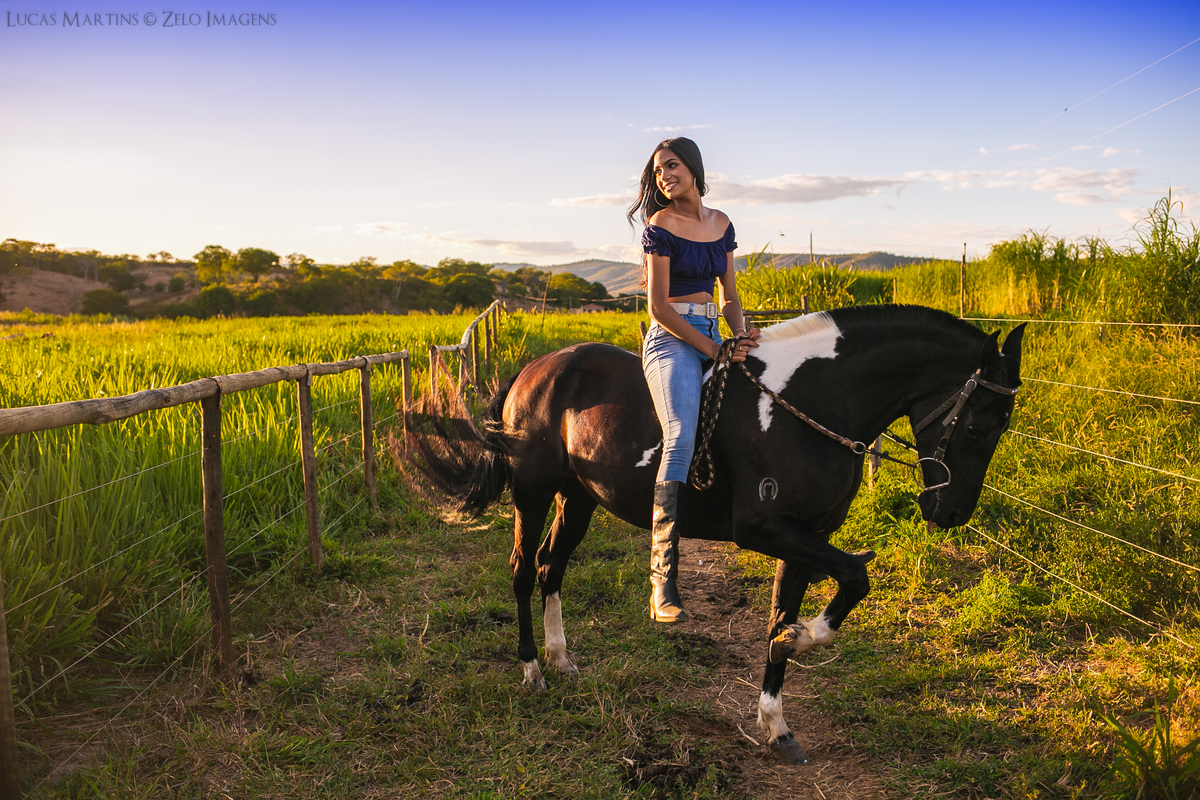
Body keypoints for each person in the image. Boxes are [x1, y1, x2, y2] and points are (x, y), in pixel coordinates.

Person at [627, 137, 760, 623]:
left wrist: (741, 335)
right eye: (659, 171)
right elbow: (658, 307)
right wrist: (712, 348)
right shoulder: (660, 227)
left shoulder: (721, 224)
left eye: (673, 166)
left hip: (713, 332)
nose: (664, 176)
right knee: (680, 437)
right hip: (673, 339)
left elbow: (728, 296)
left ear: (695, 168)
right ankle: (662, 579)